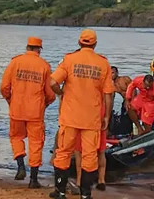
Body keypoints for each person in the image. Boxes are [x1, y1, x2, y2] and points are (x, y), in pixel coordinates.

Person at [49, 29, 114, 199]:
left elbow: (52, 82)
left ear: (79, 42)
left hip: (70, 117)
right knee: (90, 155)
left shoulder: (69, 60)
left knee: (63, 152)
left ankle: (60, 191)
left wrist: (61, 93)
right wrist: (106, 116)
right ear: (95, 44)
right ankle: (85, 194)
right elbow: (108, 95)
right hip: (92, 119)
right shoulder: (103, 63)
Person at [0, 37, 56, 188]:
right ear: (39, 49)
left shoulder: (15, 62)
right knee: (36, 143)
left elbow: (4, 87)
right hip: (35, 112)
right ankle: (33, 180)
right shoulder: (44, 66)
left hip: (16, 109)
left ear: (27, 47)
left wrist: (10, 100)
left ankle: (20, 166)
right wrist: (45, 103)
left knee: (16, 137)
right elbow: (50, 94)